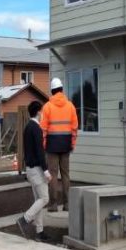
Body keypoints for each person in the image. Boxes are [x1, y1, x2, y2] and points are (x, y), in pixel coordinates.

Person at [41, 78, 78, 212]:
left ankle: (53, 204)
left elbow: (43, 129)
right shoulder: (71, 106)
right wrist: (72, 144)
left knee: (53, 174)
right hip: (66, 143)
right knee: (65, 174)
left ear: (52, 91)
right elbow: (74, 128)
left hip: (52, 144)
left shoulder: (47, 107)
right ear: (62, 89)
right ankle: (67, 204)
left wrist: (43, 145)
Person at [16, 101, 51, 242]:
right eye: (41, 111)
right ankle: (25, 219)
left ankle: (39, 231)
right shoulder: (36, 128)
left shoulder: (27, 127)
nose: (42, 114)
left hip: (30, 169)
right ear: (38, 112)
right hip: (37, 169)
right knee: (45, 198)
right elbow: (39, 151)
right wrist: (46, 170)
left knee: (38, 200)